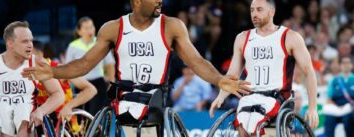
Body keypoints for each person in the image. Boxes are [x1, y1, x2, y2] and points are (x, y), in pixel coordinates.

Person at [22, 0, 251, 108]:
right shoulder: (113, 28)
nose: (160, 0)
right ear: (137, 2)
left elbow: (197, 61)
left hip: (156, 99)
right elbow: (84, 64)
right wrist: (53, 72)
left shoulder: (171, 26)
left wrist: (219, 80)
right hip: (124, 97)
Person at [209, 0, 319, 137]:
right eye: (252, 10)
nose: (254, 13)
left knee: (254, 120)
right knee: (241, 122)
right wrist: (221, 96)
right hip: (251, 95)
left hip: (277, 97)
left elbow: (309, 71)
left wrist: (313, 107)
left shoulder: (290, 37)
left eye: (259, 9)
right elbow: (233, 73)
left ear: (272, 11)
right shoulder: (243, 38)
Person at [0, 21, 64, 137]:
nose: (30, 45)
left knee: (21, 111)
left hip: (27, 116)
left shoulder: (37, 64)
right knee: (3, 110)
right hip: (0, 115)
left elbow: (59, 94)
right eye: (25, 41)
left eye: (31, 40)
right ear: (10, 43)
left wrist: (42, 110)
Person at [33, 40, 97, 131]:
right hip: (39, 119)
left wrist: (69, 106)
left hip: (63, 120)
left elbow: (91, 89)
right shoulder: (24, 72)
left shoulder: (59, 69)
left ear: (39, 54)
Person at [65, 16, 115, 116]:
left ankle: (96, 131)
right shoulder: (73, 46)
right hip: (81, 84)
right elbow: (68, 67)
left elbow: (110, 64)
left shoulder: (101, 43)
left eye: (91, 27)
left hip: (98, 83)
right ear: (79, 31)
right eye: (86, 28)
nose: (90, 30)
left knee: (95, 114)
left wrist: (111, 83)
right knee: (81, 116)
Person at [324, 56, 354, 137]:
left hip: (350, 109)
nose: (346, 65)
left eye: (348, 62)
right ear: (340, 66)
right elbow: (328, 98)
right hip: (336, 108)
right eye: (344, 63)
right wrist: (337, 107)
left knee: (348, 119)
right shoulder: (334, 80)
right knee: (329, 119)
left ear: (351, 65)